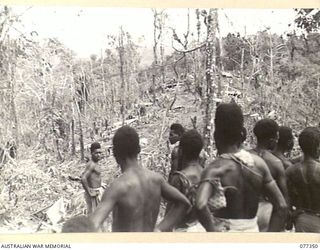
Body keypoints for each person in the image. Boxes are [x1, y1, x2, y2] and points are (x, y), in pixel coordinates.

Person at [196, 103, 287, 232]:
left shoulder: (215, 169)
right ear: (242, 132)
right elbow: (281, 206)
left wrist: (213, 234)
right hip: (252, 233)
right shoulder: (258, 164)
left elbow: (200, 205)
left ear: (216, 134)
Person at [89, 126, 191, 232]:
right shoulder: (157, 180)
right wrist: (159, 229)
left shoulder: (118, 187)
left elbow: (92, 224)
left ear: (115, 153)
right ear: (139, 149)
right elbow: (184, 203)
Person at [157, 129, 205, 232]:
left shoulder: (179, 178)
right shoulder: (206, 173)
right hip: (202, 228)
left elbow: (170, 213)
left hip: (183, 231)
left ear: (181, 150)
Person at [250, 119, 289, 231]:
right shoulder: (276, 163)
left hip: (245, 210)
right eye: (276, 138)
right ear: (272, 140)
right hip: (268, 211)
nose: (277, 141)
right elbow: (284, 197)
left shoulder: (244, 157)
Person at [286, 127, 320, 232]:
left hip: (301, 219)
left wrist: (292, 216)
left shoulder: (291, 171)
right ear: (317, 147)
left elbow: (286, 199)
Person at [81, 142, 105, 214]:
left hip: (97, 192)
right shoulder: (91, 165)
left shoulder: (95, 163)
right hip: (93, 193)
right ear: (91, 153)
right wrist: (89, 191)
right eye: (96, 153)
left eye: (100, 153)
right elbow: (83, 178)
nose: (99, 155)